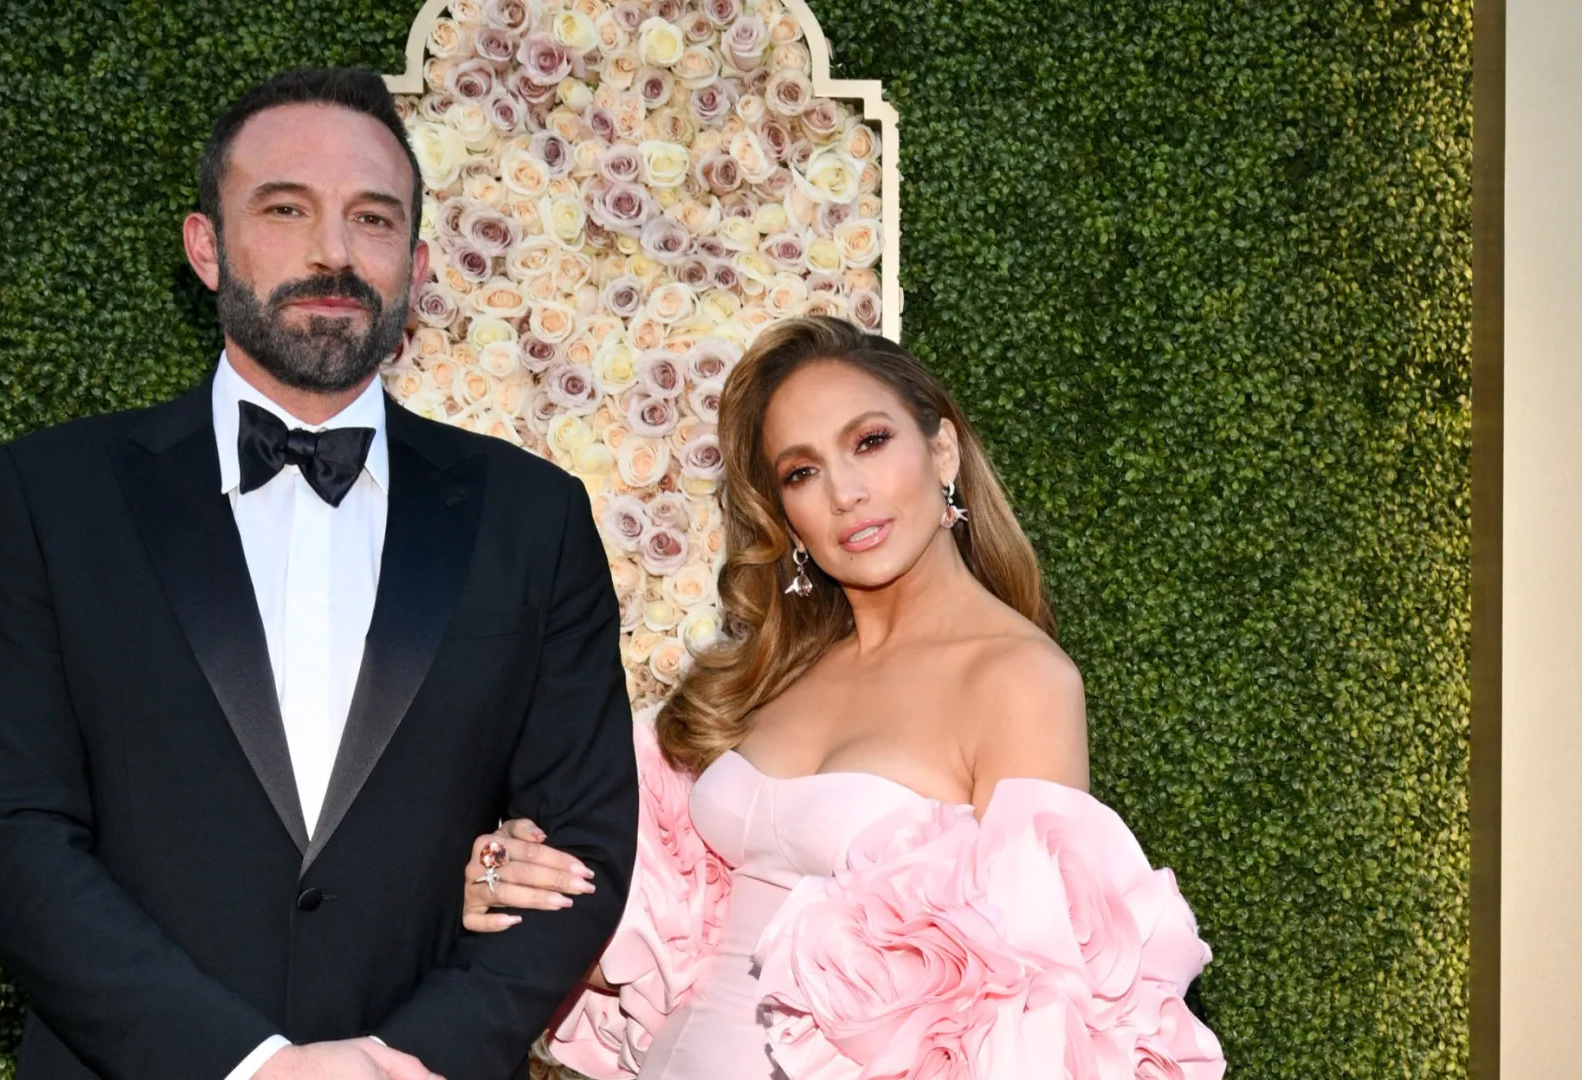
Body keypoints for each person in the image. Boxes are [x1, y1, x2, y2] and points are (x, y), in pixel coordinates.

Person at [0, 67, 637, 1080]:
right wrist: (250, 1066)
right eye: (285, 209)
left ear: (416, 265)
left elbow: (579, 850)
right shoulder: (49, 498)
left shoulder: (534, 515)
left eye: (373, 219)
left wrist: (404, 1059)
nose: (333, 253)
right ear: (205, 247)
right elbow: (10, 838)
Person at [462, 316, 1225, 1079]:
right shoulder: (769, 674)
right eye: (802, 472)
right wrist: (513, 882)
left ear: (943, 451)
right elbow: (646, 955)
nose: (846, 493)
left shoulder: (1019, 680)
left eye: (869, 442)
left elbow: (1034, 1014)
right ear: (785, 517)